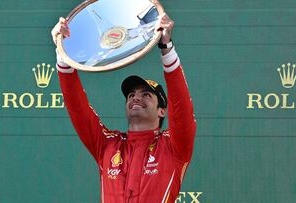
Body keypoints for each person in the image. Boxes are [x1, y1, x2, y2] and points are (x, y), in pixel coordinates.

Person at [51, 12, 196, 203]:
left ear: (162, 111)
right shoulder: (107, 144)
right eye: (131, 95)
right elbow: (79, 109)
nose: (136, 97)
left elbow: (181, 107)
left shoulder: (173, 146)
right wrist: (64, 54)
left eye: (146, 94)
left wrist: (166, 49)